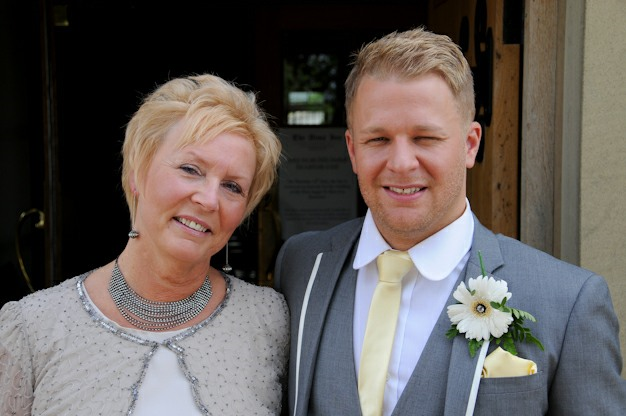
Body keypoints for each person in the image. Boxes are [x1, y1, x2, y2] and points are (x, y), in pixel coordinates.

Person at [274, 27, 626, 416]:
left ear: (470, 145)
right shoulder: (302, 265)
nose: (401, 163)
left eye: (425, 138)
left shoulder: (569, 301)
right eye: (378, 140)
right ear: (353, 150)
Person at [0, 74, 288, 415]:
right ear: (137, 173)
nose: (210, 200)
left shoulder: (267, 320)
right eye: (191, 169)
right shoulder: (33, 327)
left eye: (232, 187)